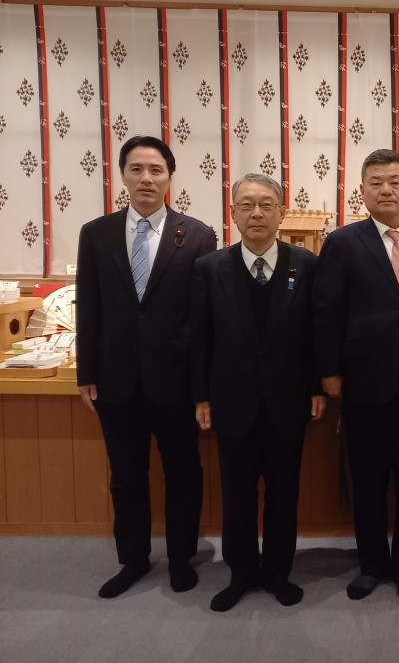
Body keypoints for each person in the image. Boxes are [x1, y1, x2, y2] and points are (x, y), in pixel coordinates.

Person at [75, 135, 216, 598]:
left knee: (183, 472)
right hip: (116, 381)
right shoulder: (96, 234)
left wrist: (202, 388)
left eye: (156, 170)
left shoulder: (196, 234)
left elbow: (202, 320)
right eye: (136, 169)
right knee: (126, 474)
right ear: (123, 176)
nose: (146, 179)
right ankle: (132, 559)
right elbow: (89, 308)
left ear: (170, 177)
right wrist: (86, 374)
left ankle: (180, 558)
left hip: (174, 381)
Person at [314, 149, 399, 603]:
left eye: (395, 181)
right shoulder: (342, 243)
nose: (386, 189)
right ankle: (371, 564)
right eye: (375, 182)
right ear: (363, 191)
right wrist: (328, 373)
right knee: (367, 479)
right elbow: (326, 312)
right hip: (363, 382)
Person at [190, 173, 325, 612]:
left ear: (282, 212)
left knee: (284, 493)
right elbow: (200, 340)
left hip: (289, 402)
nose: (257, 214)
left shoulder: (305, 264)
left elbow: (314, 336)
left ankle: (277, 574)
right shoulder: (210, 269)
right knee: (239, 495)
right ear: (232, 214)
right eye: (246, 205)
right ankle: (242, 573)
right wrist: (201, 396)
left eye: (266, 204)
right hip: (232, 403)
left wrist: (316, 387)